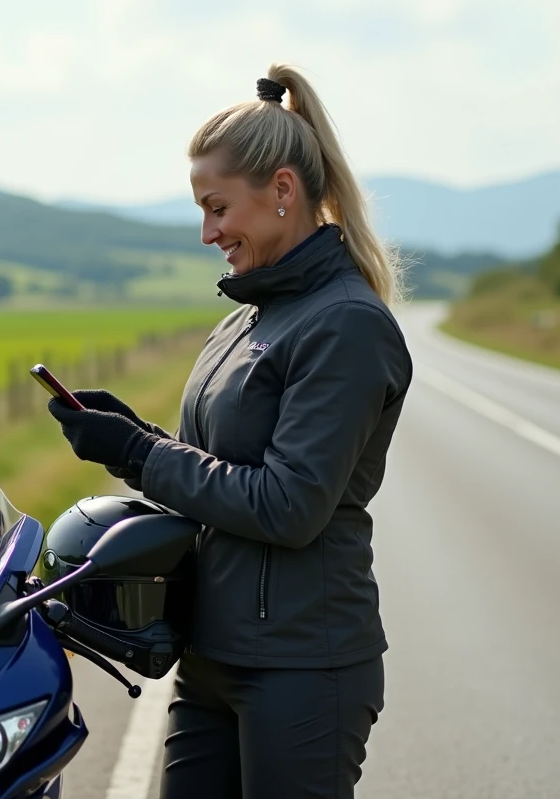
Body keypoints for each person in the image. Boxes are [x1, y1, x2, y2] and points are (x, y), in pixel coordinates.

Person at [46, 62, 413, 798]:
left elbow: (289, 504)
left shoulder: (345, 326)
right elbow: (216, 467)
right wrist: (126, 435)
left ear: (282, 190)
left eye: (218, 208)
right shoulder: (244, 319)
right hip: (213, 655)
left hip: (303, 665)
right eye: (201, 211)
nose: (207, 232)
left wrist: (141, 454)